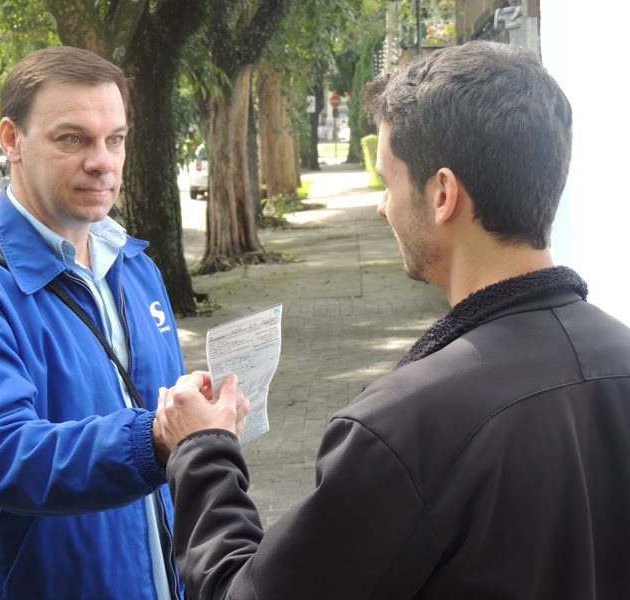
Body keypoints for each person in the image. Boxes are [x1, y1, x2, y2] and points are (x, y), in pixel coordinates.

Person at [153, 41, 630, 599]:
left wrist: (203, 450)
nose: (383, 206)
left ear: (443, 194)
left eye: (388, 181)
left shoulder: (405, 425)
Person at [0, 46, 185, 599]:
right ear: (12, 141)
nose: (103, 161)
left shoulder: (135, 267)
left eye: (115, 139)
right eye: (73, 139)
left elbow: (163, 428)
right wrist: (153, 440)